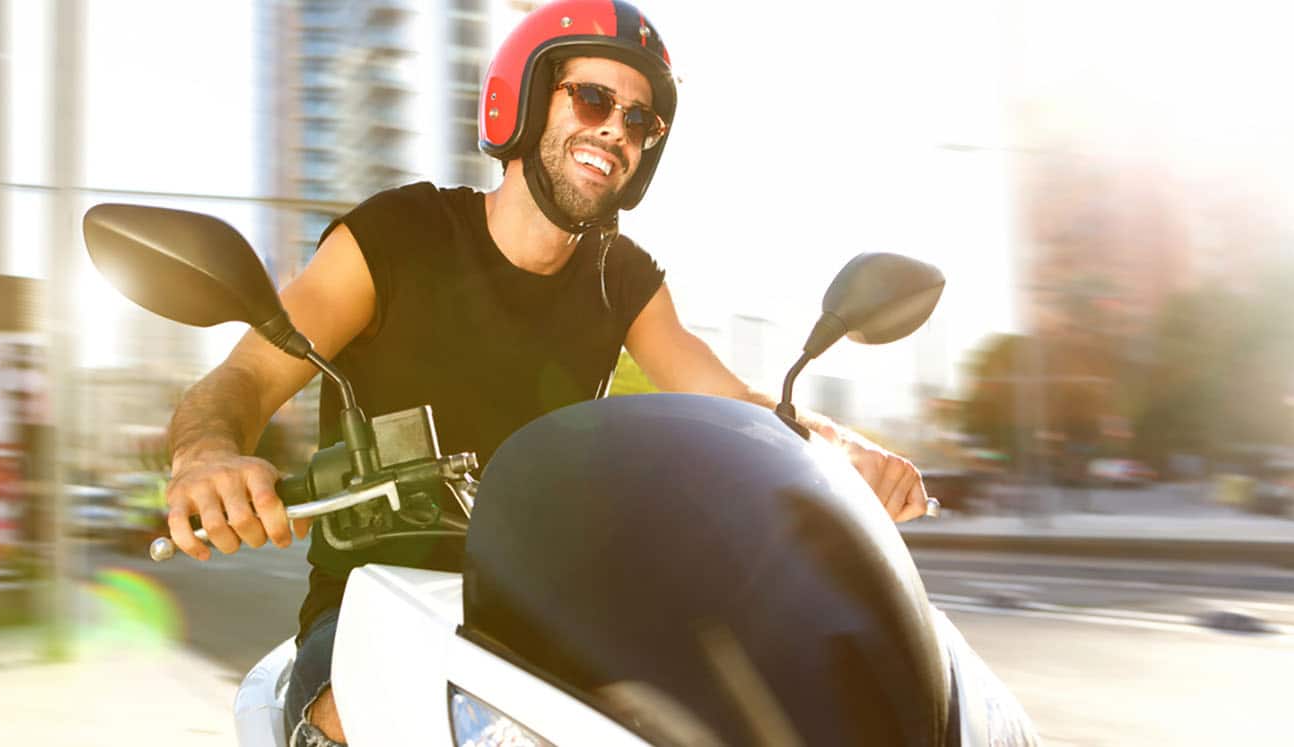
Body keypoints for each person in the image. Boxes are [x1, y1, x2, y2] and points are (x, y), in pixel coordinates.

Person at [163, 2, 929, 744]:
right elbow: (250, 374)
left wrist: (841, 451)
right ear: (524, 102)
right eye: (594, 98)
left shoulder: (620, 279)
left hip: (548, 607)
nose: (615, 130)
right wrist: (208, 456)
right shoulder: (398, 236)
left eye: (639, 120)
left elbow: (732, 401)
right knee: (358, 717)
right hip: (377, 606)